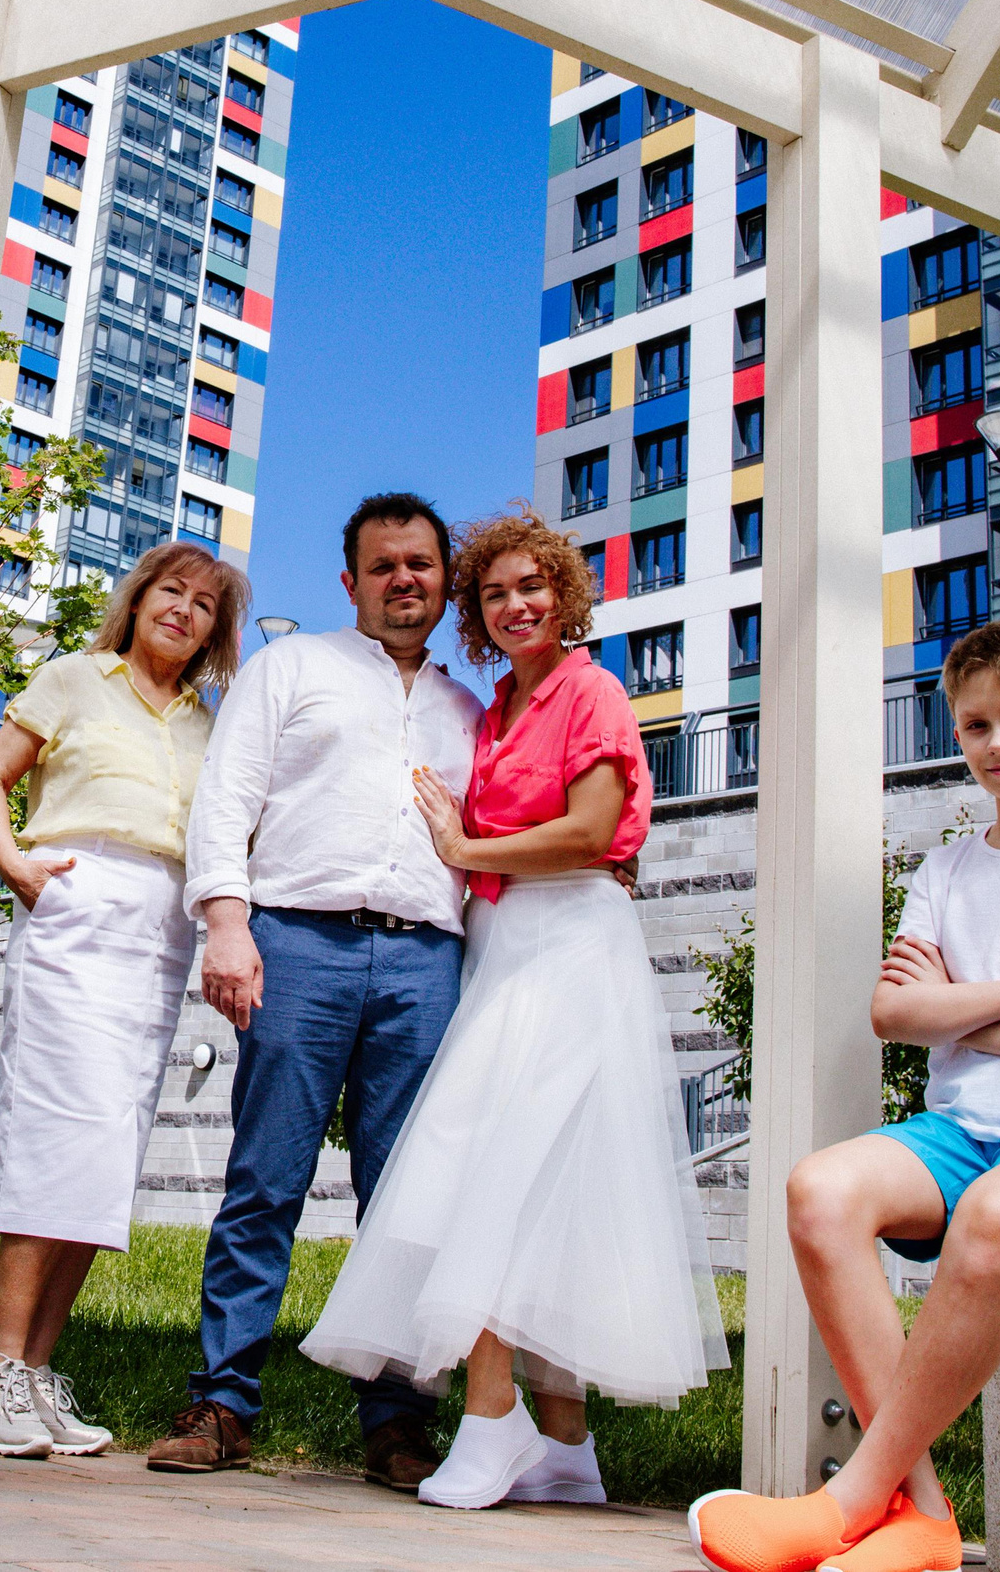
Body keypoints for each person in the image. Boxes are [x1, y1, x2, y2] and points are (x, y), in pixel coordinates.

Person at [691, 617, 1000, 1572]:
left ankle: (851, 1495)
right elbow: (892, 1013)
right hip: (968, 1123)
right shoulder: (950, 868)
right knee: (820, 1190)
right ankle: (920, 1515)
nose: (998, 743)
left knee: (999, 1215)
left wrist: (956, 1009)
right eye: (974, 726)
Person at [302, 509, 728, 1509]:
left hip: (569, 946)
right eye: (493, 593)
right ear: (475, 612)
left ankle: (491, 1421)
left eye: (532, 587)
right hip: (505, 948)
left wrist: (466, 852)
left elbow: (589, 834)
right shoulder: (495, 709)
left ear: (563, 596)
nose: (515, 605)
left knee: (480, 1173)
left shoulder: (592, 691)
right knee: (534, 1188)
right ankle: (567, 1447)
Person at [143, 494, 484, 1491]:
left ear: (442, 577)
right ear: (351, 581)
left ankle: (398, 1420)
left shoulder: (469, 711)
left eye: (419, 564)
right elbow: (228, 796)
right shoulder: (290, 668)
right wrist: (227, 921)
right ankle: (223, 1404)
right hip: (298, 944)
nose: (403, 580)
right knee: (266, 1182)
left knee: (407, 1196)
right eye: (382, 566)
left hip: (426, 960)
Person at [0, 542, 249, 1458]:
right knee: (57, 1130)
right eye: (172, 591)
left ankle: (34, 1376)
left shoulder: (212, 722)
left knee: (105, 1149)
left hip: (158, 935)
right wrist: (15, 864)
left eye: (204, 604)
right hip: (77, 906)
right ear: (140, 597)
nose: (184, 611)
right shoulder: (76, 678)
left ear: (216, 630)